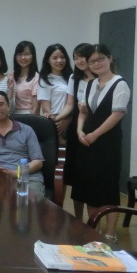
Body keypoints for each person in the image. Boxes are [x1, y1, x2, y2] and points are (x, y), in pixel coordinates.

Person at [72, 44, 130, 242]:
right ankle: (93, 230)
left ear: (109, 58)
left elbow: (116, 115)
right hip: (87, 141)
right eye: (92, 61)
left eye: (100, 59)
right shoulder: (90, 84)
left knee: (107, 187)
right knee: (91, 187)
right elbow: (83, 111)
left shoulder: (120, 84)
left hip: (107, 143)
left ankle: (110, 233)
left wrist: (95, 134)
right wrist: (79, 130)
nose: (96, 64)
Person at [0, 90, 45, 196]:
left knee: (29, 202)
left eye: (1, 104)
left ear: (8, 105)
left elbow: (38, 162)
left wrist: (15, 173)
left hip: (26, 178)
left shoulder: (26, 130)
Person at [52, 43, 94, 219]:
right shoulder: (74, 78)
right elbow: (70, 105)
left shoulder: (100, 78)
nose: (79, 61)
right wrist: (56, 119)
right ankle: (78, 218)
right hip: (76, 129)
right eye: (75, 58)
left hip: (95, 128)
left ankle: (93, 221)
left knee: (92, 178)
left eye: (82, 57)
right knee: (77, 177)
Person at [38, 43, 73, 141]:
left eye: (62, 57)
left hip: (72, 119)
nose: (59, 60)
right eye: (55, 58)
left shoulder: (72, 77)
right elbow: (46, 108)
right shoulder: (45, 79)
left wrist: (67, 120)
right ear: (48, 60)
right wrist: (56, 122)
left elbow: (73, 103)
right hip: (55, 122)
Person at [10, 40, 40, 114]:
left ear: (33, 56)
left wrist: (31, 120)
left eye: (27, 54)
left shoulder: (36, 78)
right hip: (11, 115)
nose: (23, 57)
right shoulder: (11, 76)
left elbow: (36, 108)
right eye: (19, 54)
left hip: (29, 115)